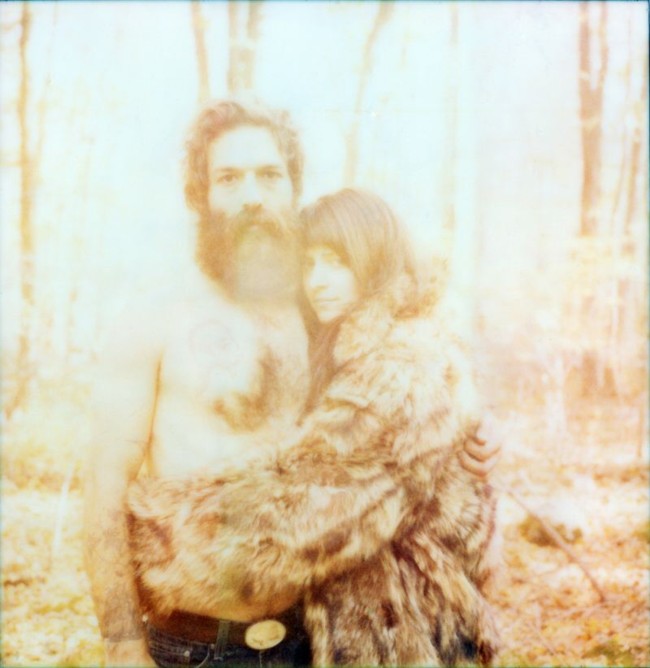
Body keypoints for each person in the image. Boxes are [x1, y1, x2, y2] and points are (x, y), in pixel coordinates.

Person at [84, 97, 499, 668]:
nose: (252, 194)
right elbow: (105, 485)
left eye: (269, 175)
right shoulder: (152, 318)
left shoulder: (324, 309)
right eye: (229, 178)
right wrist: (121, 643)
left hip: (317, 638)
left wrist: (479, 425)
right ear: (200, 195)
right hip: (197, 645)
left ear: (292, 189)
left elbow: (415, 378)